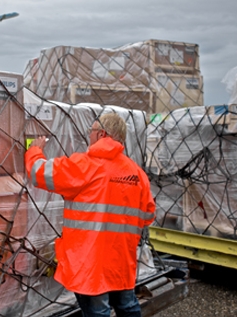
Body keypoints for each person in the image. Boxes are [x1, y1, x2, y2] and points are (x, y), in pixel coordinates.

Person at [25, 113, 156, 317]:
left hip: (89, 263)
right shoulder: (137, 174)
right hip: (121, 260)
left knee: (98, 312)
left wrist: (34, 150)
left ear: (101, 134)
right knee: (127, 306)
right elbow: (148, 215)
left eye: (91, 132)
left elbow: (38, 173)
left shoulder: (84, 165)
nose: (89, 136)